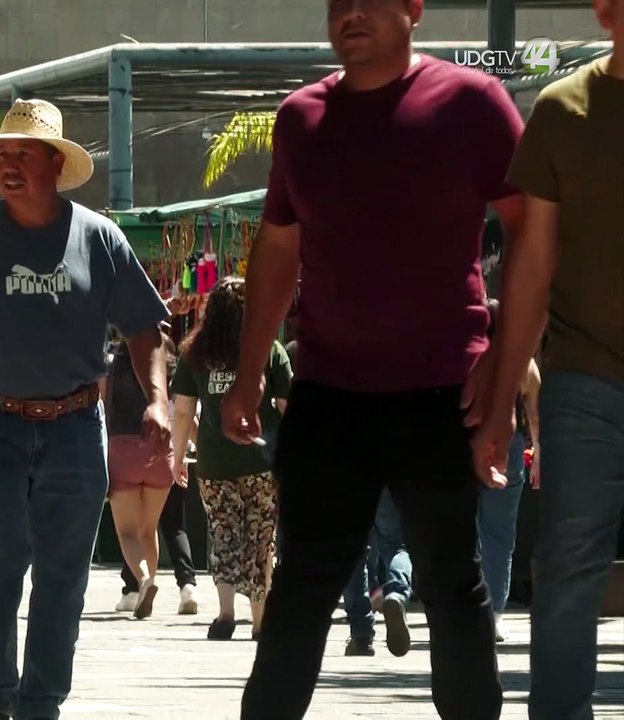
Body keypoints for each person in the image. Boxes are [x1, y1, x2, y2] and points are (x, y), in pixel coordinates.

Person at [221, 0, 526, 716]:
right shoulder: (301, 118)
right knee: (302, 585)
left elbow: (531, 232)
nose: (350, 14)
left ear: (414, 8)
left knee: (453, 583)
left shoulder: (472, 102)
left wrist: (504, 359)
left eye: (371, 1)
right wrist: (247, 375)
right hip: (330, 393)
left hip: (443, 390)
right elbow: (278, 250)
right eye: (337, 4)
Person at [0, 98, 170, 720]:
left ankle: (41, 703)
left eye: (23, 153)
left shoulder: (98, 237)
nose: (8, 164)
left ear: (55, 162)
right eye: (3, 154)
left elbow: (144, 328)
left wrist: (155, 398)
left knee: (64, 572)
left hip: (75, 426)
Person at [472, 3, 623, 715]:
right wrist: (504, 400)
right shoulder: (564, 110)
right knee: (567, 568)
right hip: (586, 379)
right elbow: (529, 267)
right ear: (604, 10)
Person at [170, 276, 289, 640]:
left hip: (214, 461)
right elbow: (288, 406)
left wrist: (177, 458)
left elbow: (183, 413)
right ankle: (258, 620)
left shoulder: (195, 353)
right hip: (261, 461)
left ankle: (224, 615)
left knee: (222, 533)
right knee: (259, 537)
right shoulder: (269, 349)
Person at [474, 298, 540, 643]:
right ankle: (494, 614)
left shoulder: (466, 358)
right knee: (500, 535)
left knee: (465, 531)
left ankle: (467, 609)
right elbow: (534, 414)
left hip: (467, 443)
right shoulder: (521, 362)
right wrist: (538, 453)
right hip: (509, 448)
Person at [102, 328, 178, 620]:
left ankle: (145, 580)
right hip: (160, 450)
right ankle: (150, 588)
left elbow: (100, 403)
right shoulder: (168, 366)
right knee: (149, 529)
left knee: (128, 532)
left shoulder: (113, 365)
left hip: (123, 448)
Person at [341, 489, 414, 656]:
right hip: (389, 477)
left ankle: (361, 635)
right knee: (395, 547)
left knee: (354, 552)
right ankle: (398, 594)